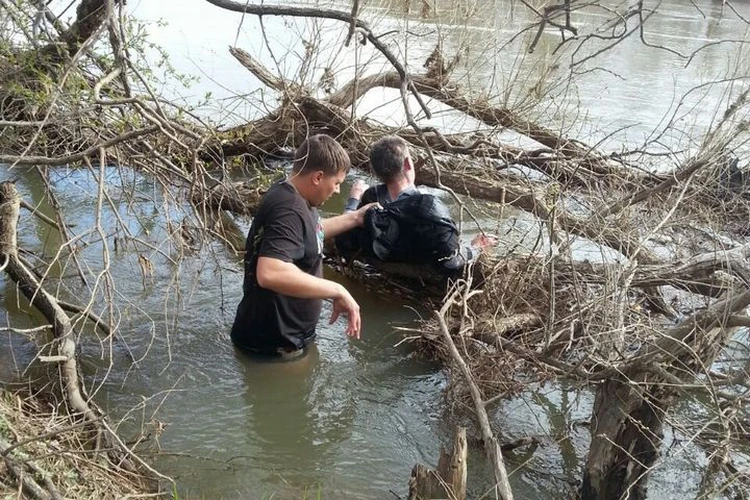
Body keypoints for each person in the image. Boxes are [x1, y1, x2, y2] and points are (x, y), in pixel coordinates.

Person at [231, 134, 377, 358]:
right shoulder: (289, 209)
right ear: (318, 177)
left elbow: (310, 234)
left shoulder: (293, 194)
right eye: (336, 183)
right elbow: (270, 272)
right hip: (273, 347)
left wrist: (355, 218)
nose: (337, 190)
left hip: (283, 339)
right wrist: (337, 290)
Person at [342, 135, 496, 273]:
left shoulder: (369, 202)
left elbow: (344, 239)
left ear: (377, 171)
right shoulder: (429, 209)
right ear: (408, 163)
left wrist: (353, 201)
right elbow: (450, 261)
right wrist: (475, 248)